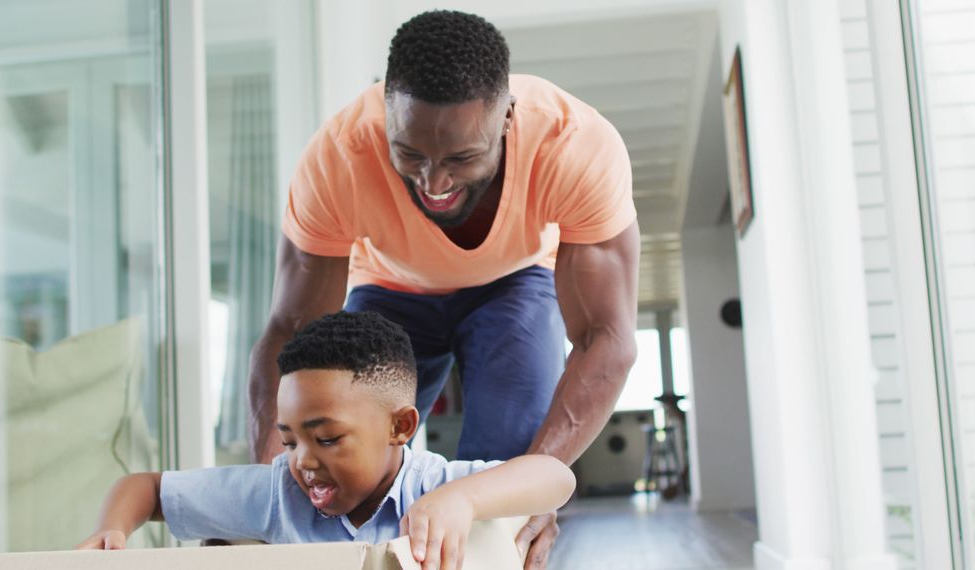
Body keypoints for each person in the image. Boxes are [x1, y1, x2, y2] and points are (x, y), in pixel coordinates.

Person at [248, 10, 639, 568]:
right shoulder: (337, 156)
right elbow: (289, 333)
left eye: (460, 158)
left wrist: (531, 493)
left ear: (507, 119)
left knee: (499, 484)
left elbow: (608, 338)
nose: (433, 183)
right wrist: (267, 502)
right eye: (410, 154)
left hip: (515, 282)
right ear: (386, 117)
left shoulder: (574, 145)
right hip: (387, 286)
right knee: (341, 440)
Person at [78, 311, 575, 570]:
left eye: (328, 439)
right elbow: (145, 488)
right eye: (290, 441)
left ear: (401, 427)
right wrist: (112, 531)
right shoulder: (276, 496)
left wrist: (462, 500)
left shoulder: (435, 488)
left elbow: (556, 477)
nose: (303, 462)